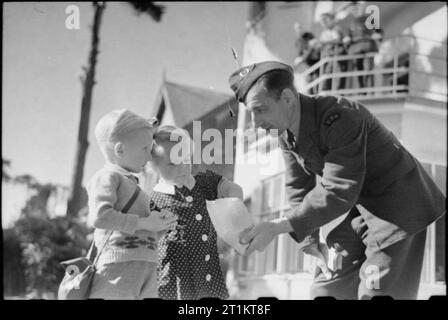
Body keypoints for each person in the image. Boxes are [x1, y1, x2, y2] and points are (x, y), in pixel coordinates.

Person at [228, 61, 446, 299]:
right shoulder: (284, 133)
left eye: (260, 109)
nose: (255, 123)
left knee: (376, 291)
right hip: (356, 211)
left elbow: (339, 189)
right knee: (326, 288)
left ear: (288, 97)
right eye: (251, 113)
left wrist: (278, 226)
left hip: (397, 210)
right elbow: (298, 187)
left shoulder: (340, 116)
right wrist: (308, 241)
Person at [86, 109, 178, 299]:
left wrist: (162, 225)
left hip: (147, 268)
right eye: (144, 148)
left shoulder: (136, 187)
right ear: (120, 149)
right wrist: (146, 223)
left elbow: (141, 229)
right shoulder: (107, 177)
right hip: (117, 267)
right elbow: (100, 217)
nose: (149, 156)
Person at [149, 125, 244, 300]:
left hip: (207, 271)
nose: (182, 168)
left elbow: (233, 189)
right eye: (173, 163)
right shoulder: (154, 200)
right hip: (174, 276)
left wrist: (231, 208)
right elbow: (149, 239)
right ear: (155, 166)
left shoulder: (204, 182)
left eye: (186, 159)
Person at [342, 3, 382, 90]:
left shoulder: (370, 19)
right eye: (352, 10)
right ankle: (362, 89)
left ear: (361, 8)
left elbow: (379, 32)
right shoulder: (351, 23)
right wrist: (347, 38)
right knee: (359, 69)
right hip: (356, 49)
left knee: (368, 69)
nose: (354, 11)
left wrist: (376, 35)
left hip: (368, 47)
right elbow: (348, 35)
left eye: (356, 9)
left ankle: (368, 89)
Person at [318, 12, 348, 91]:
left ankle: (340, 90)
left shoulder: (338, 29)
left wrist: (325, 42)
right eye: (322, 21)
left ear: (332, 20)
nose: (323, 22)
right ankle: (327, 90)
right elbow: (320, 44)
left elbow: (339, 40)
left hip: (339, 55)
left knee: (340, 72)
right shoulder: (324, 32)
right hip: (329, 57)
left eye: (325, 20)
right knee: (328, 73)